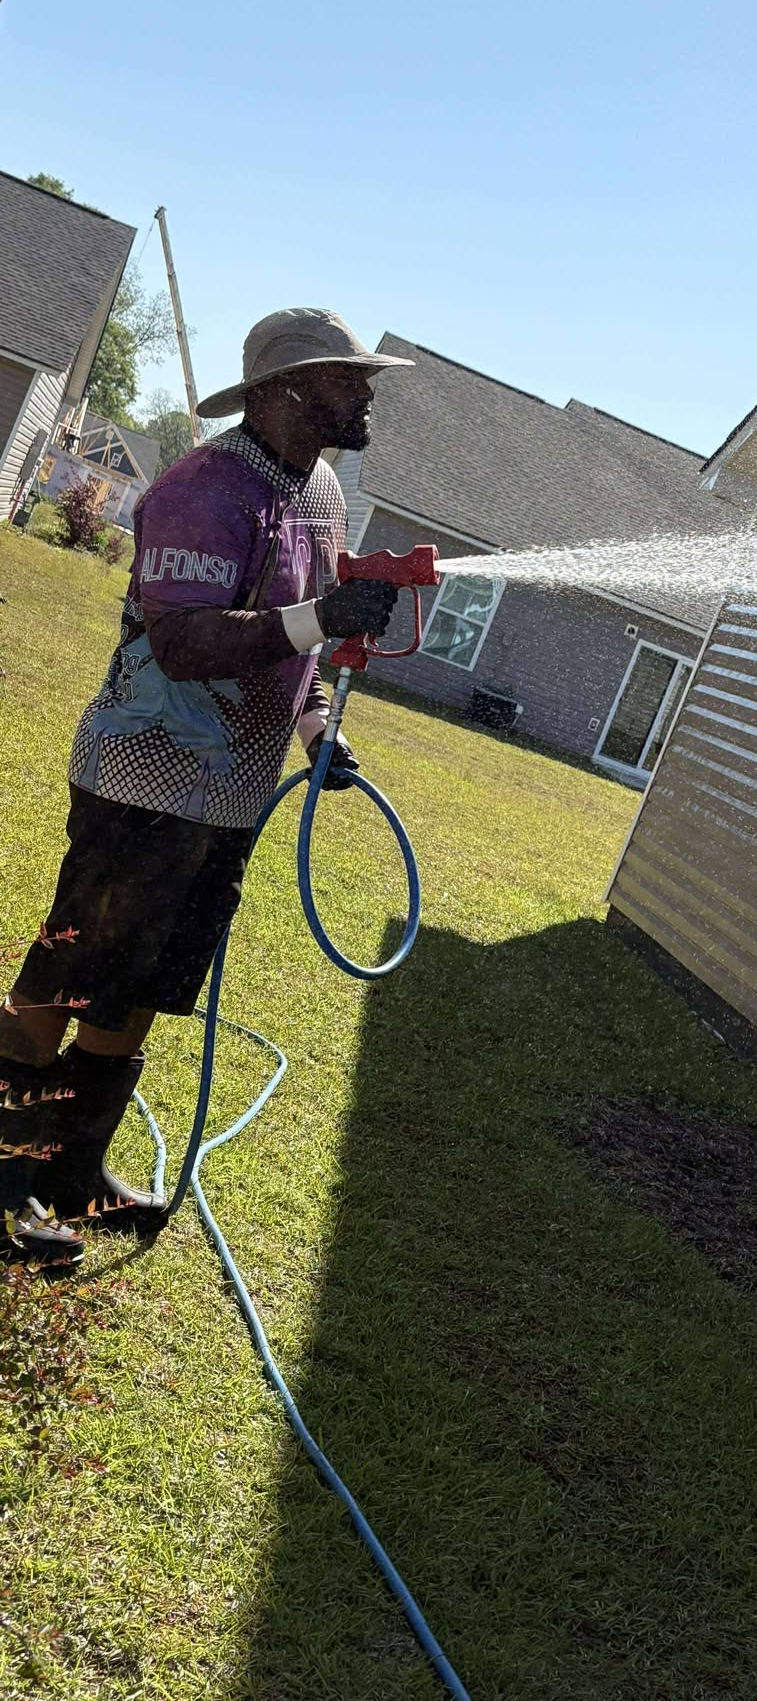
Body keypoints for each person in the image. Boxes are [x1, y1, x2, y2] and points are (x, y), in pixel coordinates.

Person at [1, 309, 413, 1267]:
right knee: (66, 977)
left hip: (224, 797)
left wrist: (318, 732)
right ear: (283, 391)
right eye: (348, 379)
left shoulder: (320, 495)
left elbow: (298, 649)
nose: (366, 394)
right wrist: (319, 618)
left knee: (144, 986)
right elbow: (183, 644)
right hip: (142, 779)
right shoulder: (203, 491)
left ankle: (71, 1174)